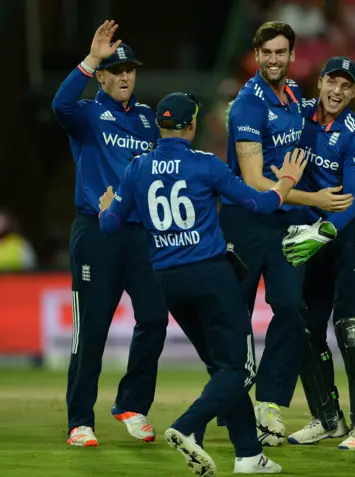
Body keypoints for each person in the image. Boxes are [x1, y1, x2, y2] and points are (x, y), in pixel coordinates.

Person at [98, 92, 306, 474]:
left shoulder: (137, 167)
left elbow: (111, 226)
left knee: (222, 366)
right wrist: (286, 183)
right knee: (239, 369)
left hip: (167, 282)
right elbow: (259, 204)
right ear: (191, 126)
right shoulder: (205, 165)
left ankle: (247, 454)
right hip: (210, 275)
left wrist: (105, 208)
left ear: (160, 126)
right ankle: (187, 426)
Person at [221, 21, 353, 446]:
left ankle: (270, 405)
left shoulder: (296, 94)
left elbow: (326, 117)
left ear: (293, 55)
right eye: (267, 53)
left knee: (293, 311)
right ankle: (234, 404)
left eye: (281, 52)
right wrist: (316, 200)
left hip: (288, 221)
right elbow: (254, 177)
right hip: (247, 219)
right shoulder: (247, 106)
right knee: (234, 316)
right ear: (256, 56)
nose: (274, 59)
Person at [52, 20, 168, 447]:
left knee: (155, 318)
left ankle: (132, 405)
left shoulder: (147, 119)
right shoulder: (85, 114)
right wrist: (90, 58)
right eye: (115, 70)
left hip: (142, 236)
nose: (124, 77)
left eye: (130, 70)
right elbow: (59, 105)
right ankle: (80, 420)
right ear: (101, 76)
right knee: (93, 330)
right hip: (96, 235)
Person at [280, 57, 355, 450]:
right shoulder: (297, 116)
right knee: (306, 328)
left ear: (354, 92)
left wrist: (322, 232)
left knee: (351, 328)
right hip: (311, 235)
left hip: (347, 238)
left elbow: (354, 200)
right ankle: (327, 419)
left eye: (347, 86)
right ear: (321, 81)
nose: (337, 91)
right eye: (332, 82)